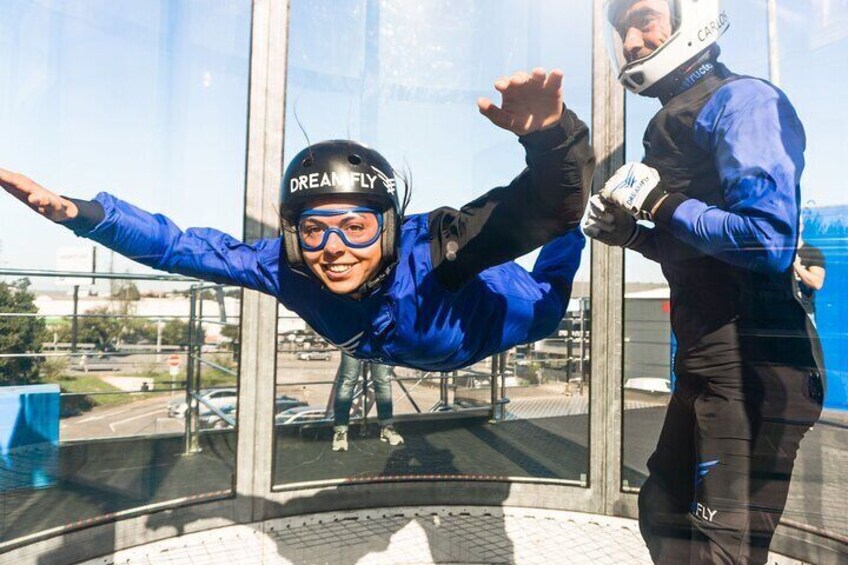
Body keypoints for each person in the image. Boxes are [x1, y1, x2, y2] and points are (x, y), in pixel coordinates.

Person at [1, 68, 591, 376]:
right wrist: (86, 216)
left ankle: (588, 223)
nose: (332, 248)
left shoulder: (439, 249)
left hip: (513, 314)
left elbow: (539, 206)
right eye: (314, 230)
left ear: (389, 228)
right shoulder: (285, 267)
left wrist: (552, 142)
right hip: (410, 346)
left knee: (561, 249)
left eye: (355, 227)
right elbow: (179, 248)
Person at [584, 1, 824, 563]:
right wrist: (632, 235)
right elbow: (698, 252)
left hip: (756, 363)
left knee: (720, 551)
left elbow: (764, 241)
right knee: (663, 510)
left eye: (645, 19)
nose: (631, 41)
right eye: (621, 31)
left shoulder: (744, 100)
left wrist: (660, 202)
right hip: (706, 359)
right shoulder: (672, 117)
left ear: (690, 16)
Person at [331, 352, 400, 451]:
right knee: (348, 380)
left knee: (382, 381)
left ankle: (387, 427)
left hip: (379, 339)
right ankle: (340, 431)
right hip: (355, 338)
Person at [793, 222, 826, 321]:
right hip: (778, 312)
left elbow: (817, 283)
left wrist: (797, 267)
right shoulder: (779, 252)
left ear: (801, 226)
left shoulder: (813, 252)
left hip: (804, 312)